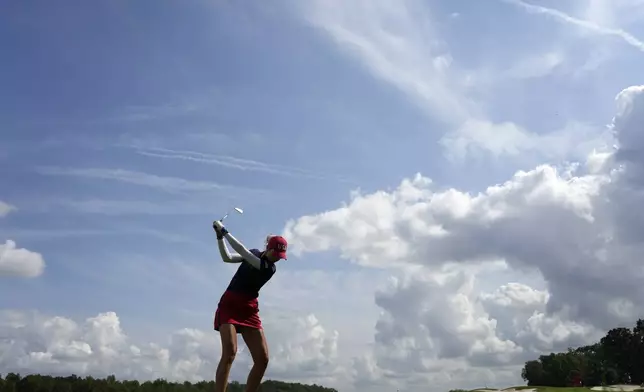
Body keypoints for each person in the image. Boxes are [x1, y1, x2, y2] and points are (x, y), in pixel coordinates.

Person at [211, 219, 288, 392]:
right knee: (230, 352)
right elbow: (227, 257)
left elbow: (242, 251)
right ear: (269, 248)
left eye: (280, 256)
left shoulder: (269, 268)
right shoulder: (254, 254)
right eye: (276, 253)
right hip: (230, 304)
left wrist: (224, 231)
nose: (277, 258)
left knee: (263, 359)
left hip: (249, 309)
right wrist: (219, 237)